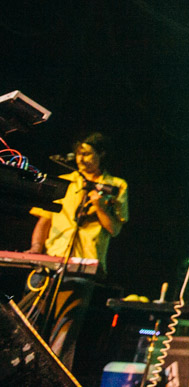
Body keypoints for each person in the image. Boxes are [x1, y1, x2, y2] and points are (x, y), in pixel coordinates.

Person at [24, 132, 128, 368]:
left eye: (87, 153)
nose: (81, 159)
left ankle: (52, 376)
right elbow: (44, 219)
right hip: (50, 261)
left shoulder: (117, 185)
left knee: (65, 328)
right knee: (29, 319)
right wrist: (35, 248)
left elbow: (114, 229)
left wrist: (100, 205)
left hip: (84, 265)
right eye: (78, 153)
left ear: (101, 154)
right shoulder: (64, 180)